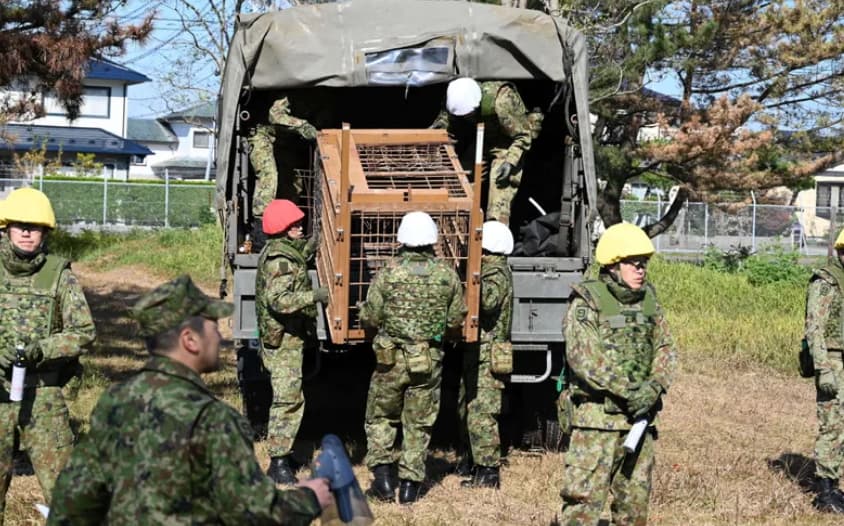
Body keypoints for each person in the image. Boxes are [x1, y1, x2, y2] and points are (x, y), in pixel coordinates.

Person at [47, 275, 332, 524]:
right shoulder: (214, 418)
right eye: (213, 327)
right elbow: (255, 514)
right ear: (190, 340)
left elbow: (73, 501)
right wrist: (310, 498)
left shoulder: (114, 402)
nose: (221, 338)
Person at [559, 222, 676, 525]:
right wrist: (631, 391)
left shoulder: (650, 300)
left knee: (635, 507)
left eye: (645, 263)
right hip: (596, 424)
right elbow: (584, 360)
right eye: (634, 263)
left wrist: (655, 387)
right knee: (582, 506)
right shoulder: (587, 301)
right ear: (613, 265)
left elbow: (665, 348)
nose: (641, 270)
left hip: (639, 422)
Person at [0, 187, 95, 524]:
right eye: (21, 224)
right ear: (6, 227)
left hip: (43, 397)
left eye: (35, 226)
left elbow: (84, 331)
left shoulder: (59, 275)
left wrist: (43, 349)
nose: (27, 232)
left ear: (45, 232)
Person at [358, 211, 467, 504]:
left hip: (390, 359)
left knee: (381, 417)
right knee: (418, 423)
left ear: (402, 238)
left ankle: (382, 480)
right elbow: (457, 318)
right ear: (432, 239)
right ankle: (409, 486)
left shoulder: (388, 272)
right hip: (428, 359)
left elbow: (371, 316)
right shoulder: (446, 275)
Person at [255, 199, 329, 484]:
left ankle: (283, 454)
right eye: (295, 224)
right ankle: (277, 464)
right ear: (283, 228)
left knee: (292, 398)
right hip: (283, 341)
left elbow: (302, 253)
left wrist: (320, 237)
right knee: (287, 400)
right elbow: (279, 301)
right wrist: (314, 296)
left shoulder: (283, 251)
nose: (300, 227)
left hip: (286, 339)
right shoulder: (280, 261)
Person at [431, 78, 541, 226]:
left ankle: (494, 237)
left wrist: (510, 161)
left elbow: (523, 135)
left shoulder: (502, 102)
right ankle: (460, 231)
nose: (465, 118)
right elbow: (443, 125)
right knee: (460, 186)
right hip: (481, 140)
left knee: (498, 198)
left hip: (507, 144)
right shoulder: (454, 99)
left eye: (468, 115)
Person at [457, 221, 514, 489]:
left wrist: (471, 283)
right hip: (479, 352)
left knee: (482, 413)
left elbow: (488, 302)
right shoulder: (492, 269)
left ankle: (488, 472)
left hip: (488, 354)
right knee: (467, 407)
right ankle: (472, 460)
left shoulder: (496, 273)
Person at [805, 229, 844, 513]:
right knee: (832, 424)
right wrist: (823, 369)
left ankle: (835, 486)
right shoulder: (826, 281)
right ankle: (825, 490)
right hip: (832, 361)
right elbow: (814, 329)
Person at [249, 97, 319, 218]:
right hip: (263, 134)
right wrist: (303, 126)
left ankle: (287, 221)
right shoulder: (287, 95)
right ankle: (261, 223)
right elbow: (275, 116)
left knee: (294, 181)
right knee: (269, 176)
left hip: (285, 141)